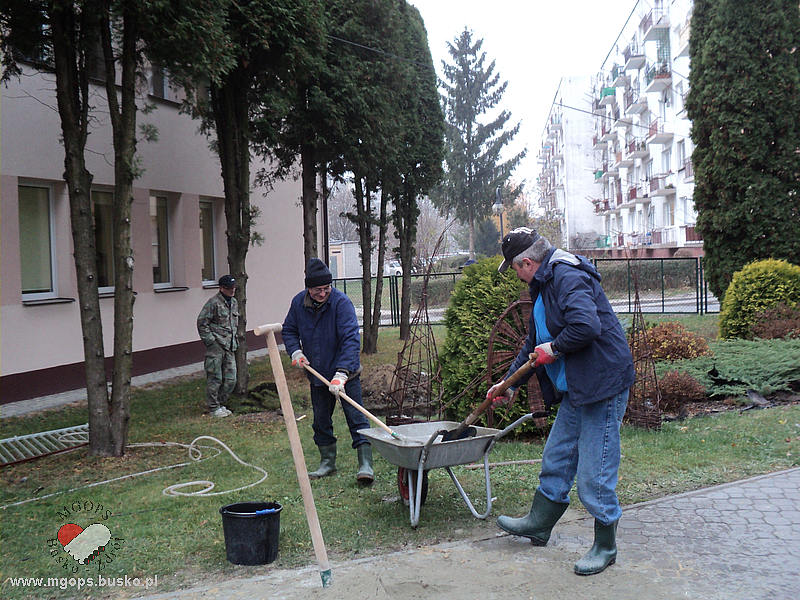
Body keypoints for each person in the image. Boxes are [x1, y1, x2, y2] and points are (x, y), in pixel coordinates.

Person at [486, 227, 635, 576]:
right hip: (580, 387)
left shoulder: (566, 275)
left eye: (515, 268)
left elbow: (586, 326)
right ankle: (540, 524)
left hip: (603, 383)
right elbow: (533, 344)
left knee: (594, 471)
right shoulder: (544, 283)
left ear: (526, 262)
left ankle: (605, 544)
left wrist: (553, 349)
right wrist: (508, 384)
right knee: (558, 455)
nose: (516, 276)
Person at [282, 258, 374, 484]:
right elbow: (289, 330)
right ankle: (327, 463)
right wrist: (295, 352)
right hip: (317, 374)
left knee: (356, 417)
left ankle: (365, 465)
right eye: (317, 290)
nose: (323, 293)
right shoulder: (298, 304)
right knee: (321, 420)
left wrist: (341, 374)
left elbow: (351, 340)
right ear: (308, 288)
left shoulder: (341, 303)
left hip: (346, 374)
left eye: (326, 288)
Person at [197, 274, 240, 418]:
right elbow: (202, 322)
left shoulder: (233, 302)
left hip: (230, 346)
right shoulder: (213, 303)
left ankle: (221, 404)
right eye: (229, 288)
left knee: (231, 379)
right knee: (215, 377)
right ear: (221, 288)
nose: (232, 291)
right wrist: (210, 341)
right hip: (216, 346)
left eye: (233, 288)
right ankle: (213, 407)